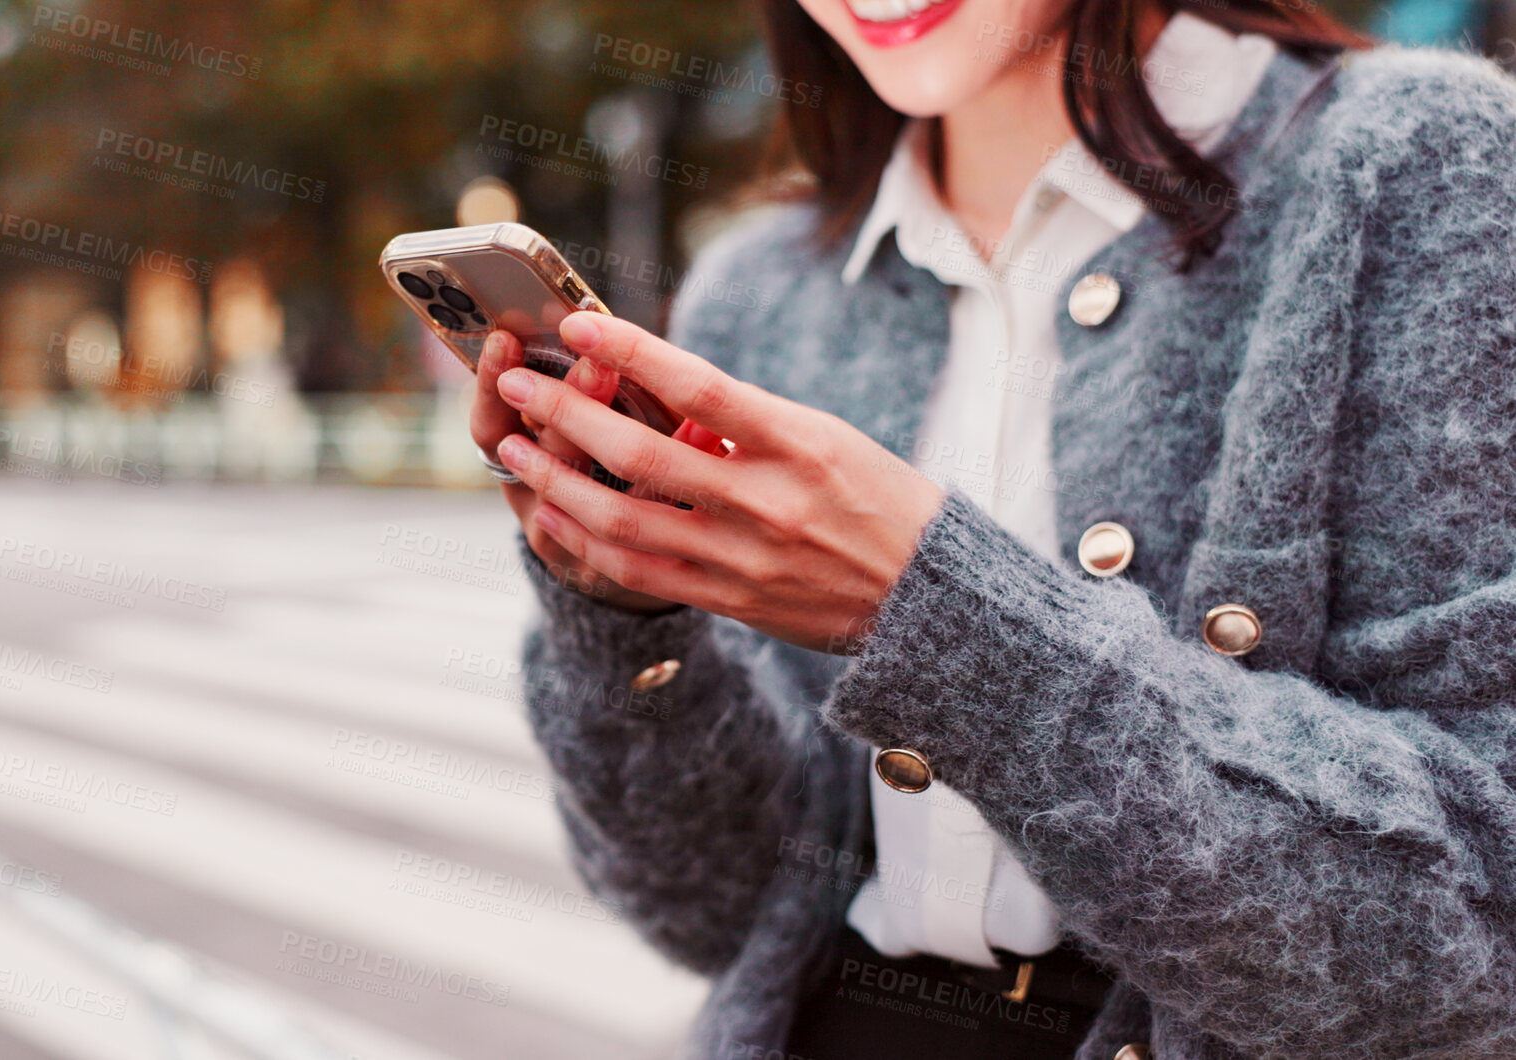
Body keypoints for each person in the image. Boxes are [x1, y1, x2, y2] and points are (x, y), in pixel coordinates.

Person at [467, 0, 1516, 1055]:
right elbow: (712, 913)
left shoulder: (1417, 166)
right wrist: (626, 611)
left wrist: (933, 613)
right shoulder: (762, 285)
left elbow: (1475, 940)